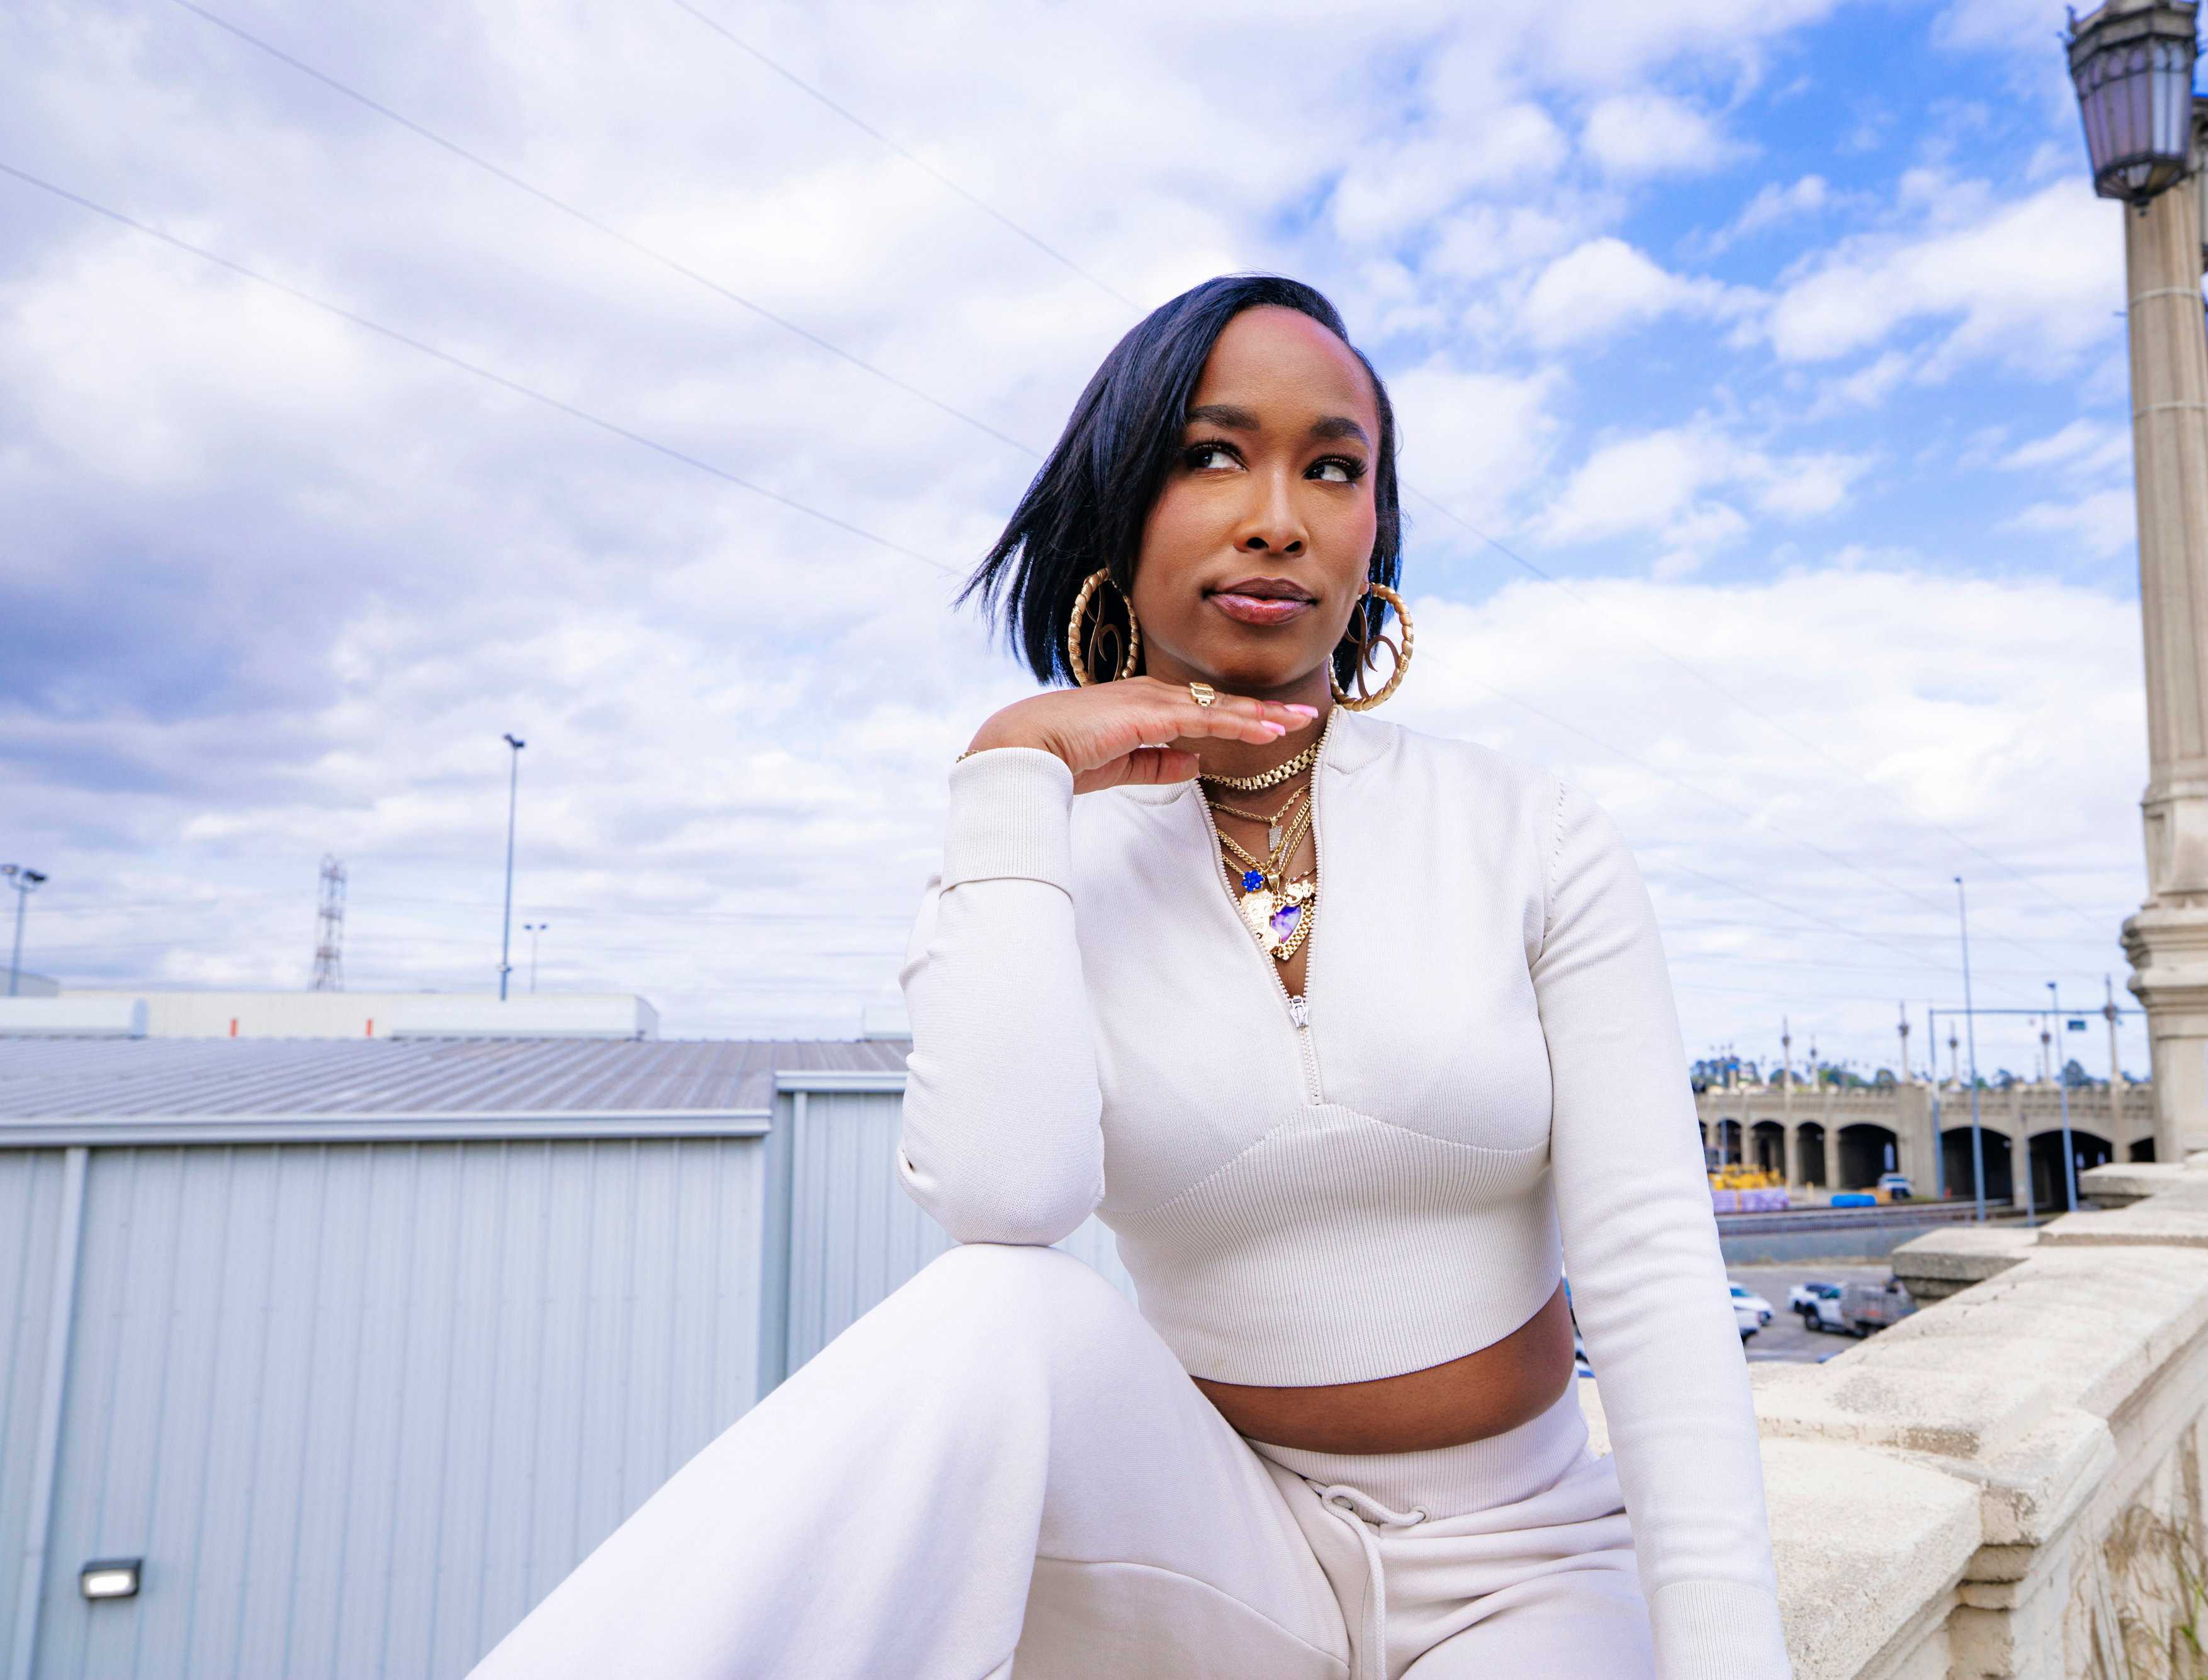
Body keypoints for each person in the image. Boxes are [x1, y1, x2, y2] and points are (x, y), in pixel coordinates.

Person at [470, 275, 1788, 1679]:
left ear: (1374, 535)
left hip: (1521, 1563)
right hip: (1216, 1552)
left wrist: (1729, 1658)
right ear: (1118, 505)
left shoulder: (1528, 831)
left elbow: (1653, 1267)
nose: (1276, 516)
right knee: (993, 1313)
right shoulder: (1034, 865)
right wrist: (1013, 773)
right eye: (1212, 455)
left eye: (1332, 468)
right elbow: (1008, 1199)